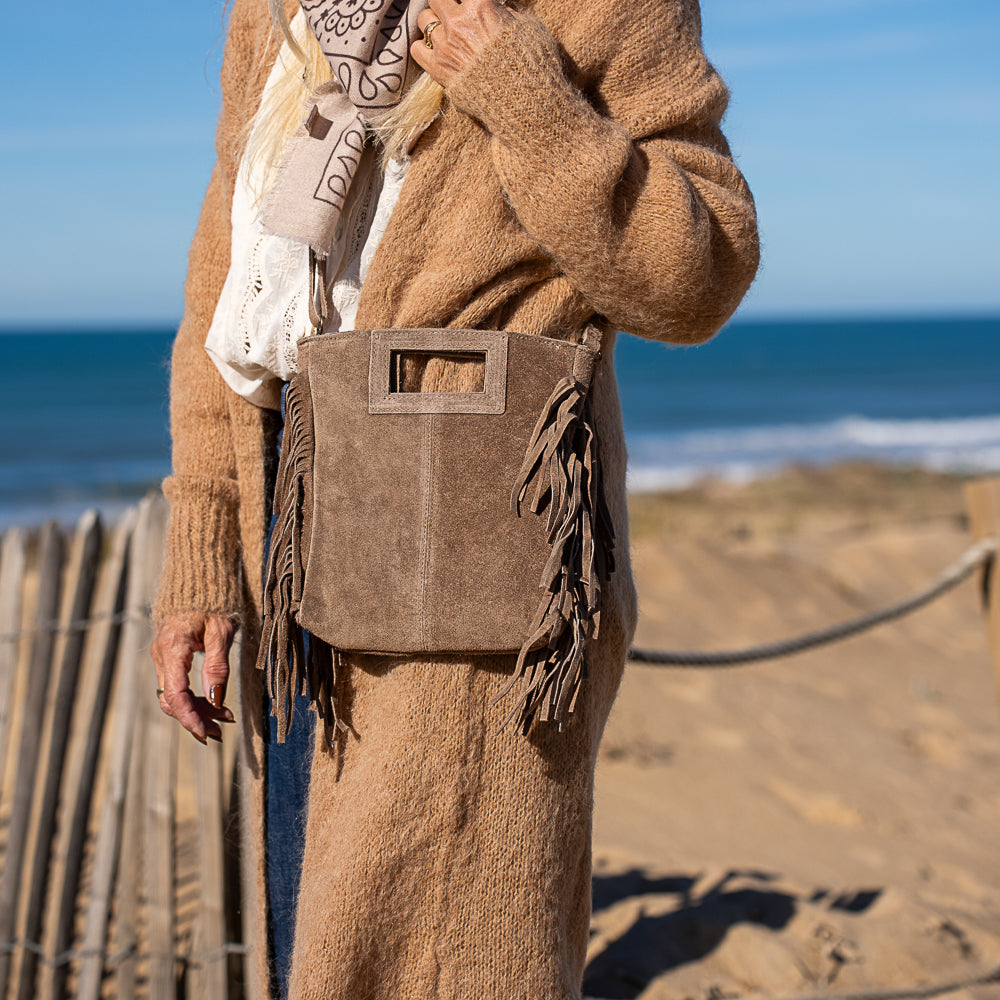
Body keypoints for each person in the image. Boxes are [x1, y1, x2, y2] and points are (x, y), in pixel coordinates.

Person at [150, 0, 759, 997]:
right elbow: (224, 273)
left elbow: (697, 277)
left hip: (480, 546)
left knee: (446, 956)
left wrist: (523, 92)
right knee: (316, 940)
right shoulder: (273, 9)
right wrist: (204, 542)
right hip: (290, 529)